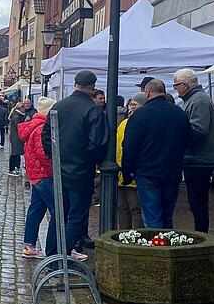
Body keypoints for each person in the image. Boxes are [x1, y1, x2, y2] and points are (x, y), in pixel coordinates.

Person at [42, 71, 108, 259]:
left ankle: (51, 256)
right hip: (81, 170)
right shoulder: (93, 109)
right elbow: (97, 142)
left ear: (75, 84)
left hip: (60, 168)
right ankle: (61, 256)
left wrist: (54, 157)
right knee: (76, 216)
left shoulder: (59, 106)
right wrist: (91, 161)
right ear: (92, 87)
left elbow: (46, 136)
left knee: (58, 215)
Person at [122, 79, 192, 229]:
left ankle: (156, 250)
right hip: (172, 172)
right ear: (164, 92)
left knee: (152, 218)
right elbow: (189, 141)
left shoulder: (139, 116)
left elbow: (129, 147)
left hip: (147, 172)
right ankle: (167, 248)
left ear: (147, 93)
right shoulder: (180, 114)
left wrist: (127, 173)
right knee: (167, 217)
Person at [173, 68, 214, 233]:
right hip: (196, 158)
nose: (175, 89)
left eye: (176, 85)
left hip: (199, 159)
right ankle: (201, 234)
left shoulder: (198, 100)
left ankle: (202, 237)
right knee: (196, 202)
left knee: (198, 203)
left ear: (184, 85)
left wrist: (177, 137)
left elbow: (198, 131)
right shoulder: (193, 99)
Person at [18, 98, 56, 258]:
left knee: (36, 210)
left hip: (35, 174)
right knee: (58, 211)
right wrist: (54, 170)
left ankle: (29, 245)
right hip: (43, 174)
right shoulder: (41, 128)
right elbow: (44, 155)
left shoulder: (34, 125)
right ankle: (57, 248)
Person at [115, 93, 146, 229]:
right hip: (120, 172)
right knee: (122, 207)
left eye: (135, 104)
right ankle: (124, 234)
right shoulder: (123, 124)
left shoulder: (141, 123)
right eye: (131, 104)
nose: (132, 107)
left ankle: (138, 236)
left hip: (133, 174)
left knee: (136, 208)